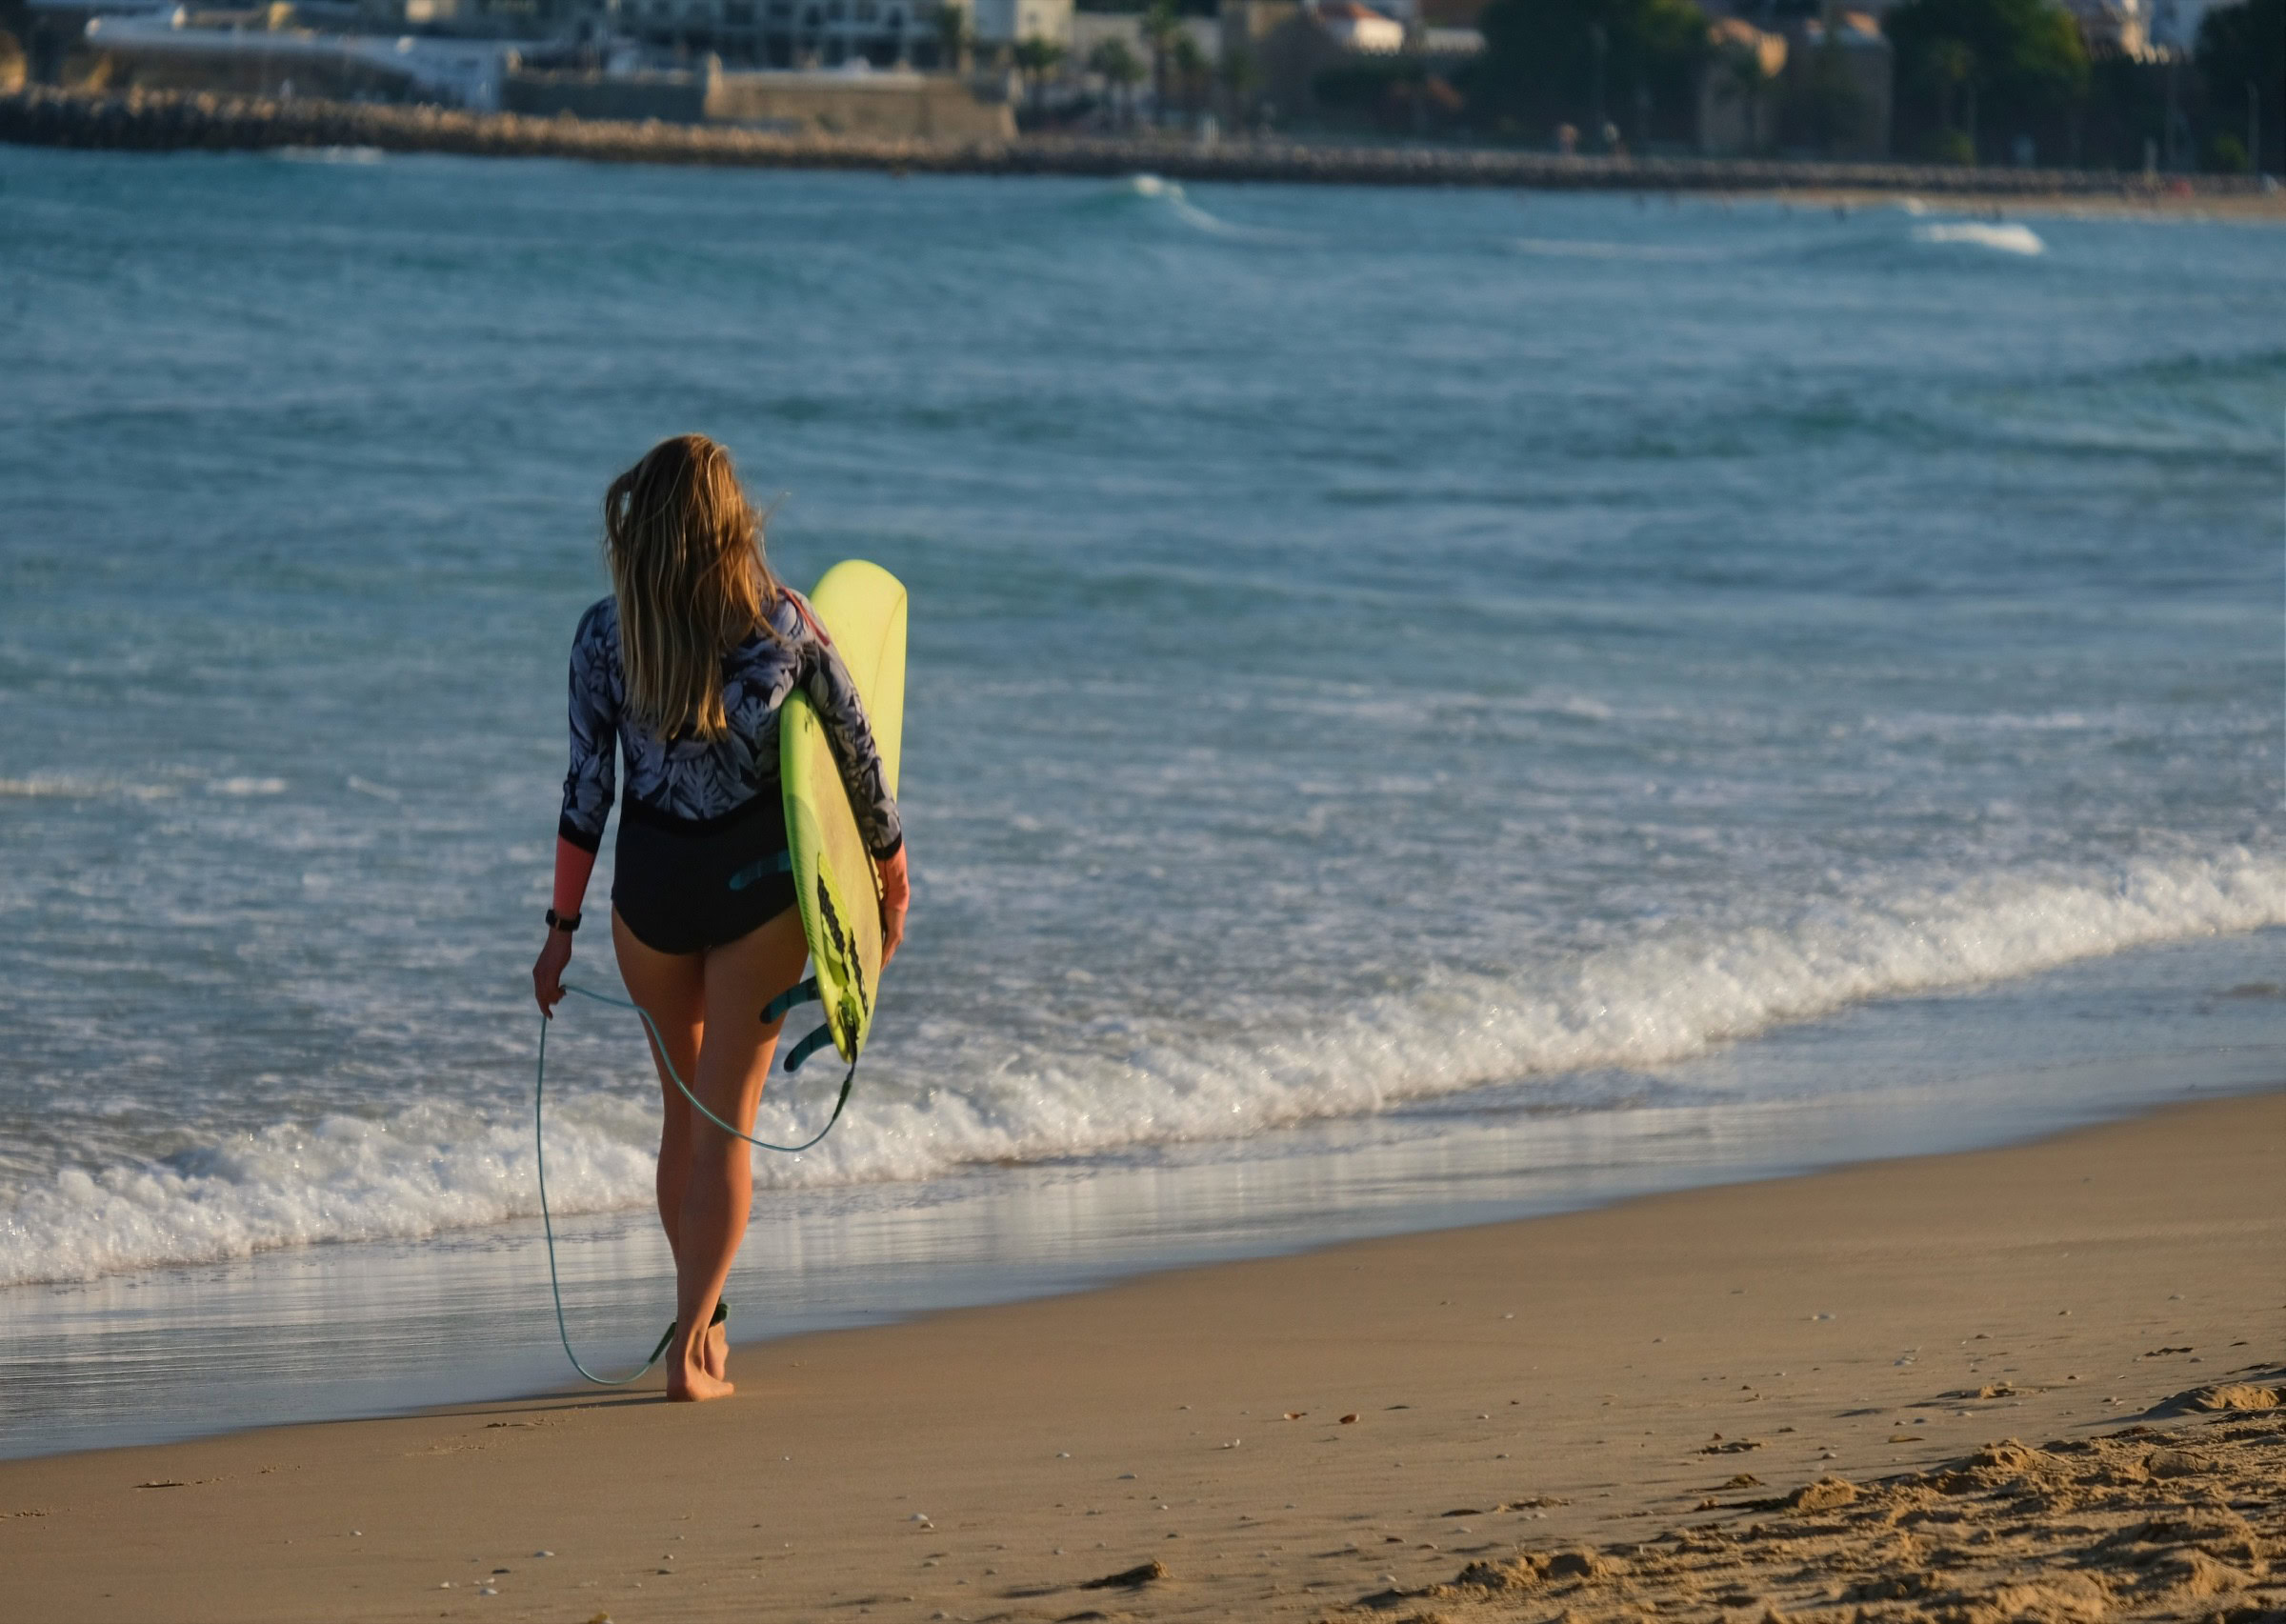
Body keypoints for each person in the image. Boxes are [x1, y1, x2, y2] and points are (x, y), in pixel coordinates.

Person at [531, 433, 909, 1403]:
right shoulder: (781, 625)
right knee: (726, 1127)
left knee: (684, 1118)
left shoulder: (604, 636)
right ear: (731, 525)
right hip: (752, 887)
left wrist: (560, 927)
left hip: (648, 894)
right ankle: (694, 1347)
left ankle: (704, 1314)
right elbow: (858, 755)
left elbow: (587, 790)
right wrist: (888, 876)